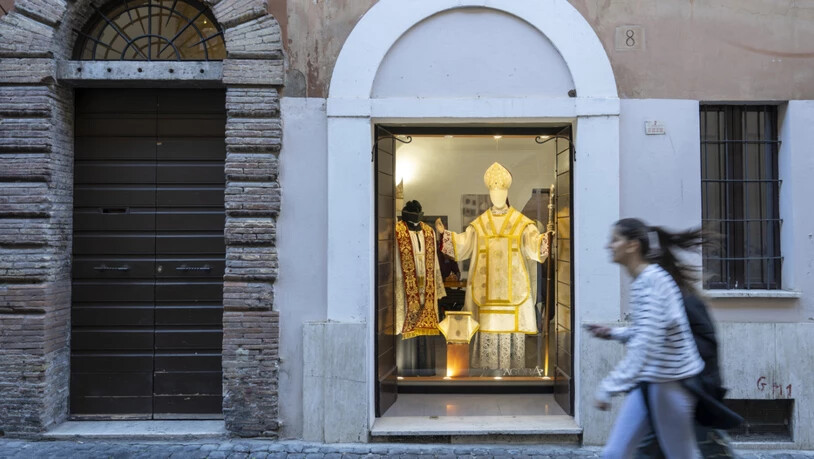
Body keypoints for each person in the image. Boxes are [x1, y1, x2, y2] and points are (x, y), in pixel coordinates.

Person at [585, 218, 706, 459]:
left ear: (632, 246)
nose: (609, 246)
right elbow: (646, 331)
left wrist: (609, 387)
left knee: (682, 456)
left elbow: (645, 345)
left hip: (671, 384)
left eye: (614, 240)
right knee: (614, 454)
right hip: (652, 380)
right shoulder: (645, 281)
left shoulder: (651, 282)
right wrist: (612, 333)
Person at [633, 292, 735, 459]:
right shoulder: (667, 300)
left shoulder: (685, 301)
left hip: (688, 392)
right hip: (667, 393)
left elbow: (706, 350)